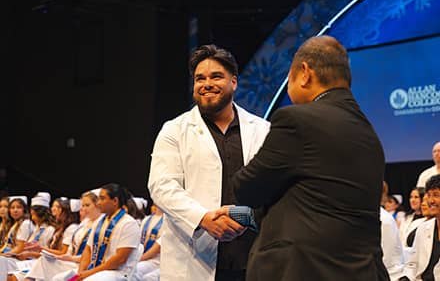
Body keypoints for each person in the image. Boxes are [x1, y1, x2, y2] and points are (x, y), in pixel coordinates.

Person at [231, 35, 389, 280]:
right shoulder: (370, 135)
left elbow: (247, 188)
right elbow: (320, 200)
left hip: (303, 270)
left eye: (289, 78)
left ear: (305, 72)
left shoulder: (296, 120)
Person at [148, 44, 270, 281]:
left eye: (216, 76)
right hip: (196, 256)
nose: (206, 84)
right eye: (199, 78)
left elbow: (270, 187)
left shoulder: (262, 129)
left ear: (233, 82)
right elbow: (161, 186)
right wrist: (203, 218)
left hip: (251, 256)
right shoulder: (174, 130)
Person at [52, 183, 141, 281]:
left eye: (102, 199)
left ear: (115, 201)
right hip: (97, 269)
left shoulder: (128, 224)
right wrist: (80, 272)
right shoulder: (100, 221)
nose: (98, 203)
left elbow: (120, 259)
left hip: (117, 272)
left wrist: (89, 273)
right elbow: (88, 249)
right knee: (58, 278)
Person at [399, 174, 440, 281]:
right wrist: (406, 278)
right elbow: (412, 264)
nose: (430, 201)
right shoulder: (423, 228)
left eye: (436, 195)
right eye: (429, 195)